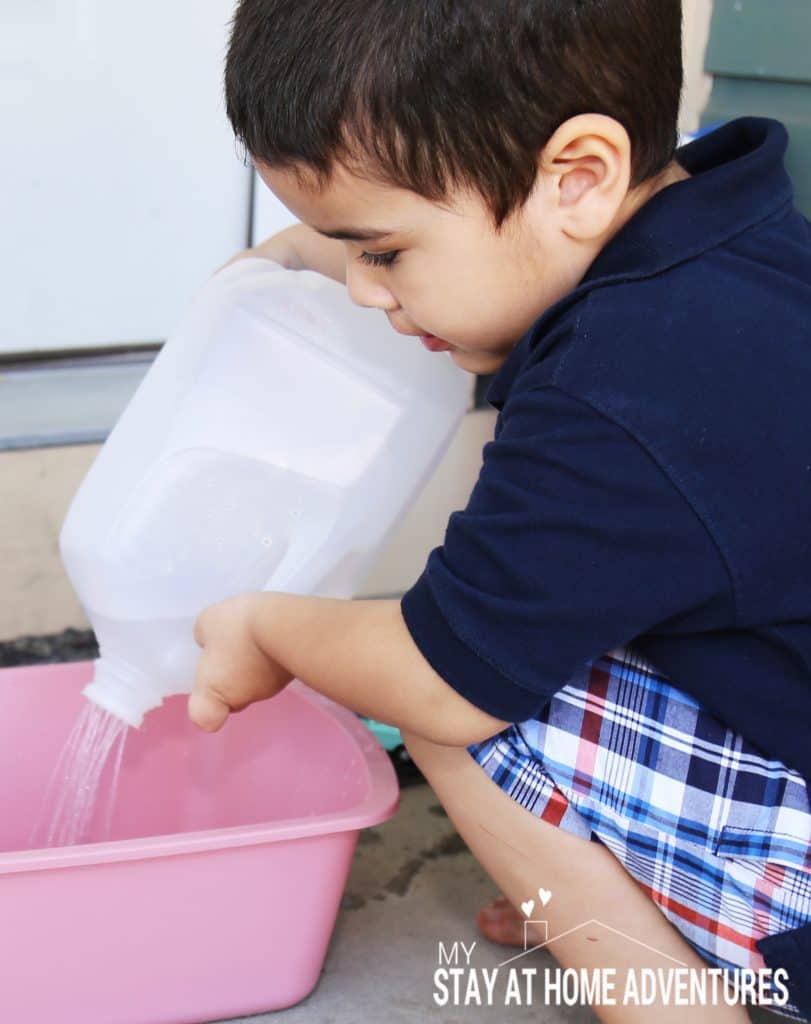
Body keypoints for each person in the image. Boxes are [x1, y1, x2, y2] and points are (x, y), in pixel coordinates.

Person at [189, 1, 811, 1019]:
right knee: (518, 629)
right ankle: (636, 880)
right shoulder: (703, 208)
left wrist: (267, 628)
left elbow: (439, 677)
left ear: (577, 177)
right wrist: (301, 253)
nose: (361, 288)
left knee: (453, 692)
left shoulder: (621, 388)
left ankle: (661, 991)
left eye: (380, 251)